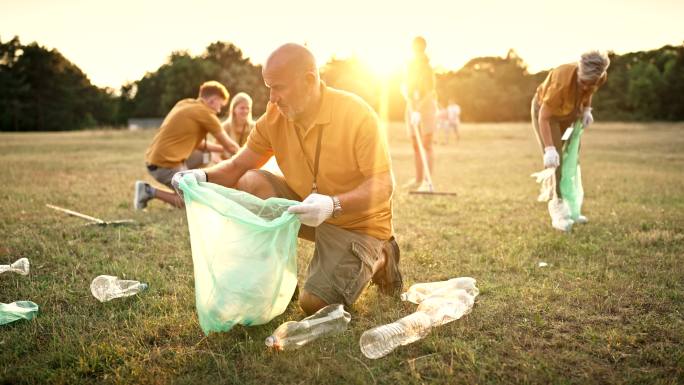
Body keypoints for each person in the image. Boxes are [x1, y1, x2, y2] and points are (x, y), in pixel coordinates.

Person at [172, 43, 402, 315]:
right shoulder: (274, 118)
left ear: (309, 80)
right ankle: (278, 277)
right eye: (268, 87)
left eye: (278, 87)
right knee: (250, 180)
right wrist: (200, 176)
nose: (272, 98)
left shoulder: (356, 114)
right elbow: (237, 166)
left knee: (314, 304)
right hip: (308, 209)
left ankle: (383, 256)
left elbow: (384, 185)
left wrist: (331, 205)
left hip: (359, 223)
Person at [531, 50, 610, 231]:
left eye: (591, 83)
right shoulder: (561, 82)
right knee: (556, 158)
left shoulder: (598, 78)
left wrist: (587, 109)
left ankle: (572, 206)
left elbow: (589, 90)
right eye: (582, 82)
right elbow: (544, 116)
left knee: (569, 156)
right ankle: (558, 210)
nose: (585, 87)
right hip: (548, 118)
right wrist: (549, 148)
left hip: (569, 117)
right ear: (579, 72)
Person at [133, 81, 240, 209]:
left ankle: (183, 188)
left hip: (156, 159)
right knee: (193, 201)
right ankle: (148, 190)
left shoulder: (186, 103)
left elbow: (199, 145)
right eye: (220, 105)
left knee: (205, 155)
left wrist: (221, 148)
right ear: (213, 100)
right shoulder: (206, 114)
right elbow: (232, 147)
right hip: (164, 166)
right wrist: (249, 153)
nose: (219, 110)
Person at [402, 36, 437, 191]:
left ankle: (427, 183)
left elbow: (430, 91)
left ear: (423, 48)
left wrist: (419, 109)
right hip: (411, 106)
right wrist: (410, 101)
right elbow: (406, 86)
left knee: (426, 144)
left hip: (426, 107)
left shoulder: (427, 68)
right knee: (416, 145)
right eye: (414, 48)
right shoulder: (410, 66)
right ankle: (418, 180)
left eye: (419, 48)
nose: (417, 51)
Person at [218, 92, 255, 160]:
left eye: (248, 108)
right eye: (242, 108)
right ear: (234, 109)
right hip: (226, 164)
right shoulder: (225, 127)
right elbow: (216, 153)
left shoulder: (254, 127)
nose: (245, 111)